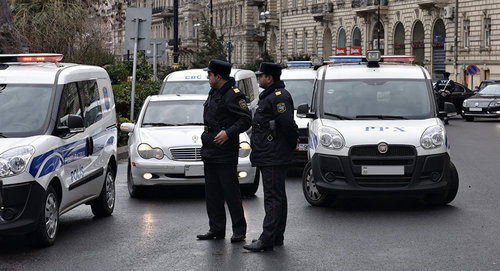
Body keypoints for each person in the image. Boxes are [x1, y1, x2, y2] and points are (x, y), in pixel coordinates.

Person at [243, 62, 299, 252]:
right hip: (270, 152)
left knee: (273, 197)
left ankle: (267, 238)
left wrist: (292, 143)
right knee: (278, 197)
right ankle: (276, 236)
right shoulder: (270, 96)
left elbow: (287, 124)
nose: (258, 78)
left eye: (261, 75)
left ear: (270, 78)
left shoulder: (278, 97)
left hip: (273, 153)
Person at [197, 59, 252, 243]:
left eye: (210, 74)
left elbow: (245, 119)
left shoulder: (233, 94)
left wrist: (228, 133)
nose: (207, 77)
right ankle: (216, 229)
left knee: (231, 192)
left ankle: (239, 230)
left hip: (225, 151)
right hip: (210, 149)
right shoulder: (214, 92)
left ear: (218, 76)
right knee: (212, 193)